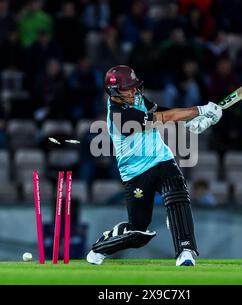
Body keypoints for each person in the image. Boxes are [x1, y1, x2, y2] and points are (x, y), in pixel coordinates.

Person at [86, 65, 223, 266]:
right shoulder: (118, 115)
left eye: (134, 87)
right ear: (114, 92)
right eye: (128, 88)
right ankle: (103, 245)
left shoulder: (137, 98)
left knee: (177, 196)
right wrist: (200, 110)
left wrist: (194, 120)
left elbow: (160, 111)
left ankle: (185, 251)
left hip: (162, 158)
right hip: (136, 173)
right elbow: (163, 118)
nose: (134, 91)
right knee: (138, 233)